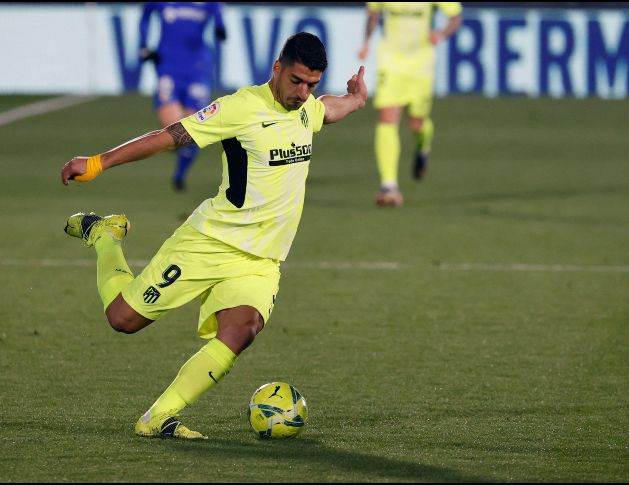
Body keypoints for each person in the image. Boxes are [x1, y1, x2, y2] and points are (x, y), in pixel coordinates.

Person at [60, 32, 367, 439]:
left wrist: (357, 99)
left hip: (261, 259)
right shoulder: (240, 108)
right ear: (277, 67)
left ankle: (157, 416)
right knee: (123, 319)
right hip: (210, 241)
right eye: (296, 81)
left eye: (311, 84)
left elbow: (328, 109)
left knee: (242, 329)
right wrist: (99, 162)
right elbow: (170, 136)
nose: (302, 92)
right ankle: (105, 235)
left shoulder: (307, 109)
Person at [358, 2, 462, 206]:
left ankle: (423, 146)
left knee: (417, 122)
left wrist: (440, 34)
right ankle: (389, 186)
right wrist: (366, 42)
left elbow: (456, 17)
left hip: (420, 66)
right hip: (391, 63)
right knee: (387, 118)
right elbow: (372, 13)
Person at [138, 2, 227, 191]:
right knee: (173, 132)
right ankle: (179, 155)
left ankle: (179, 176)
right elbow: (145, 15)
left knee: (192, 133)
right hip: (168, 69)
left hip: (197, 70)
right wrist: (143, 45)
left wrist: (220, 28)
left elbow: (219, 18)